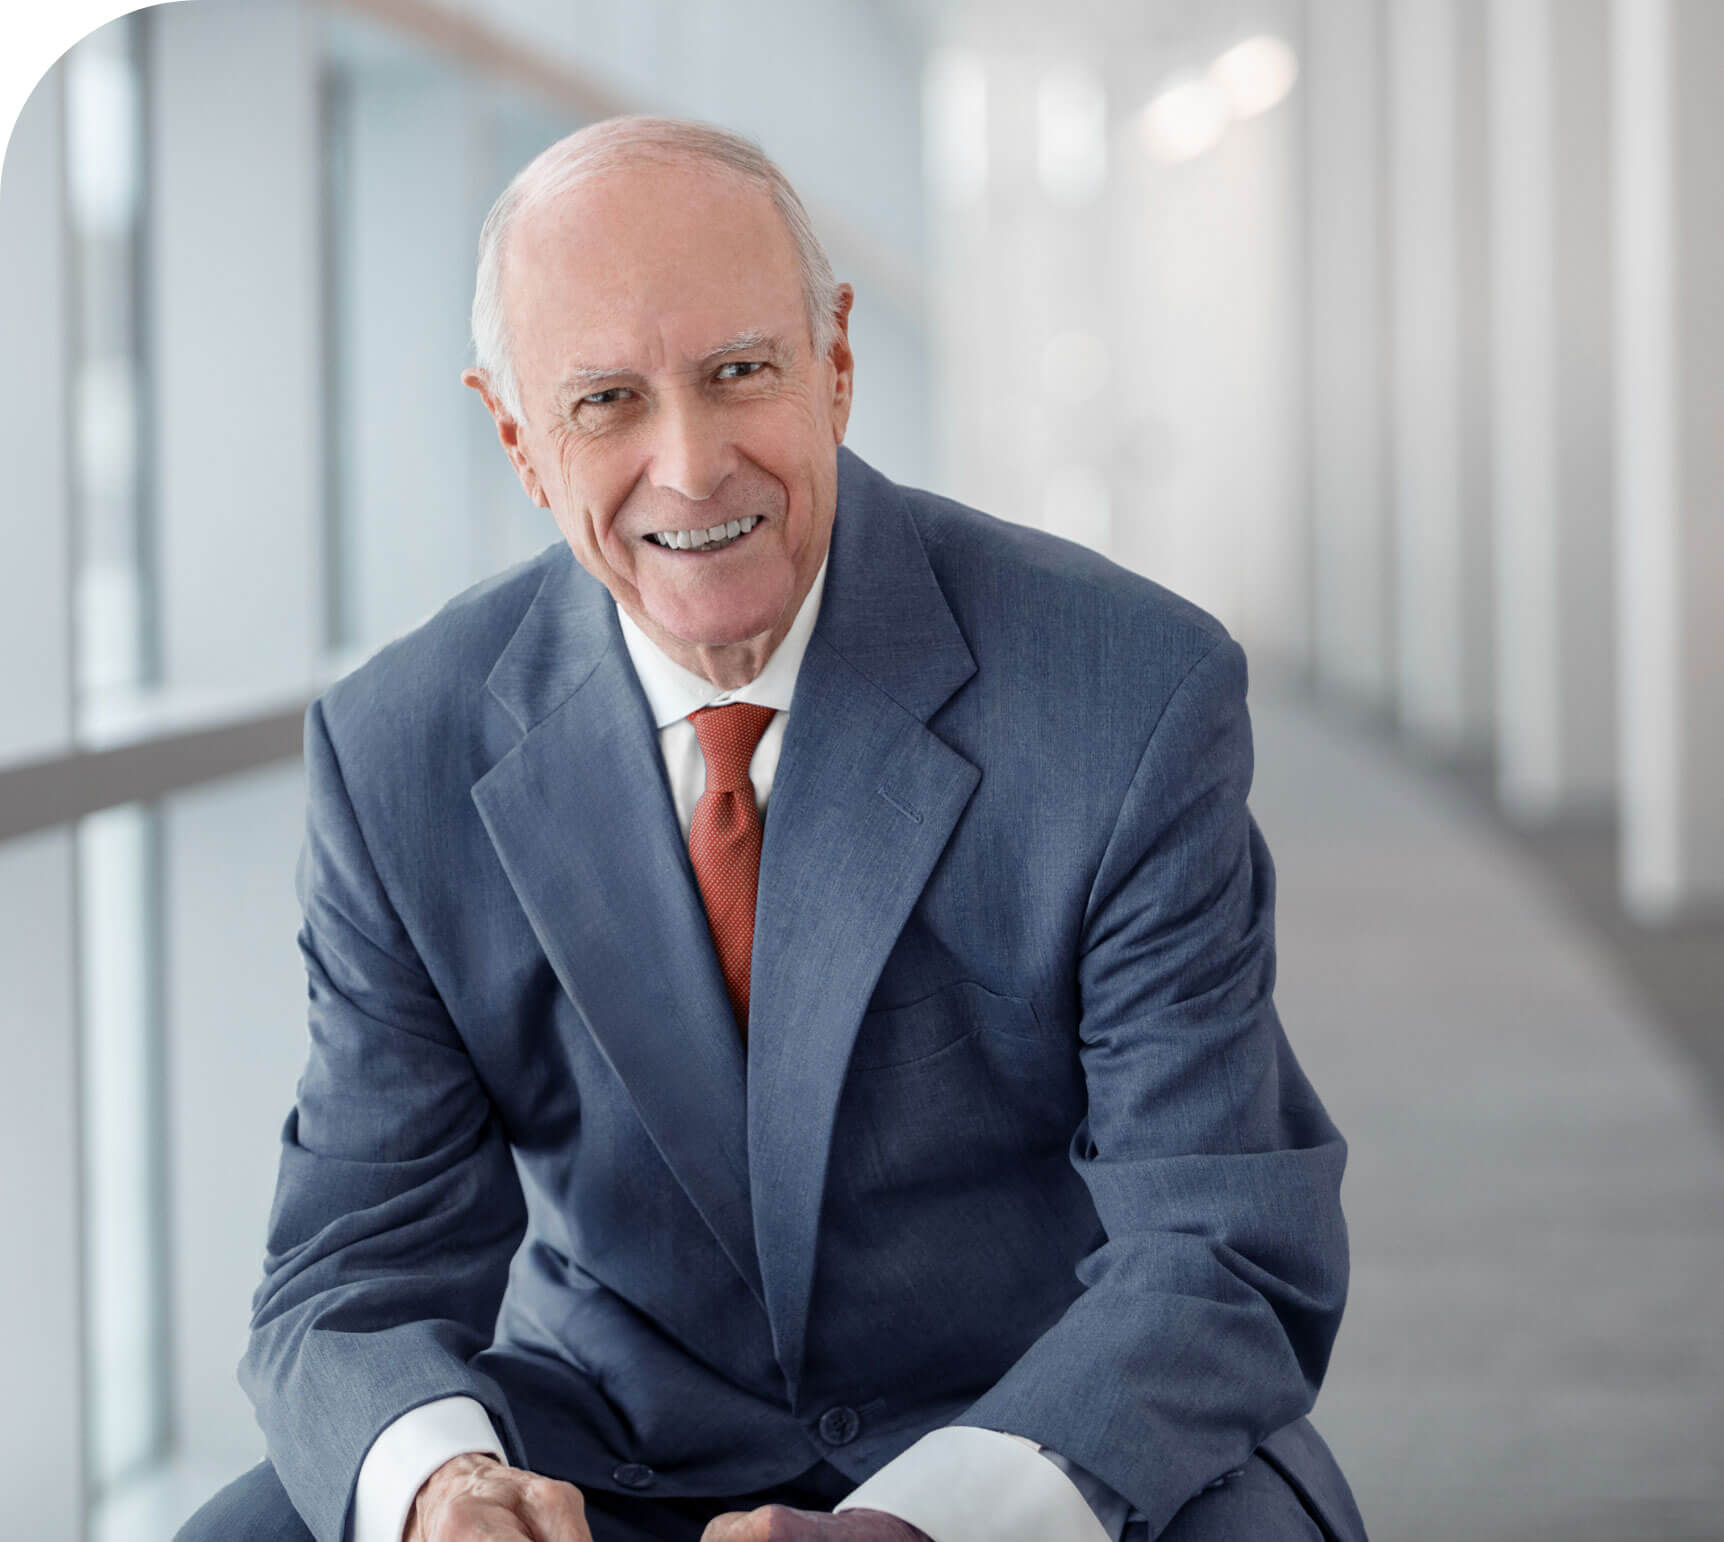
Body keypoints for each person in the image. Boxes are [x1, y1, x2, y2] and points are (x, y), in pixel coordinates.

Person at [177, 116, 1365, 1542]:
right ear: (517, 438)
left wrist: (919, 1522)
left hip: (1037, 1430)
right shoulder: (398, 752)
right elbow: (354, 1270)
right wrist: (444, 1490)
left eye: (739, 372)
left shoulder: (1126, 691)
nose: (690, 467)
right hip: (611, 1457)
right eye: (606, 400)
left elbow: (1222, 1241)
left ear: (836, 362)